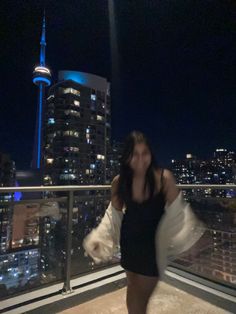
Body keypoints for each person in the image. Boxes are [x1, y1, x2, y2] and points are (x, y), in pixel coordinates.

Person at [110, 130, 179, 314]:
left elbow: (179, 213)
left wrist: (190, 241)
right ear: (127, 157)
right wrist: (103, 241)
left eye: (145, 153)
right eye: (135, 154)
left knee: (140, 299)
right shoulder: (119, 182)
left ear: (151, 154)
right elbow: (113, 215)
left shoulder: (164, 178)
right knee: (133, 289)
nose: (141, 159)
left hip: (153, 248)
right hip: (129, 245)